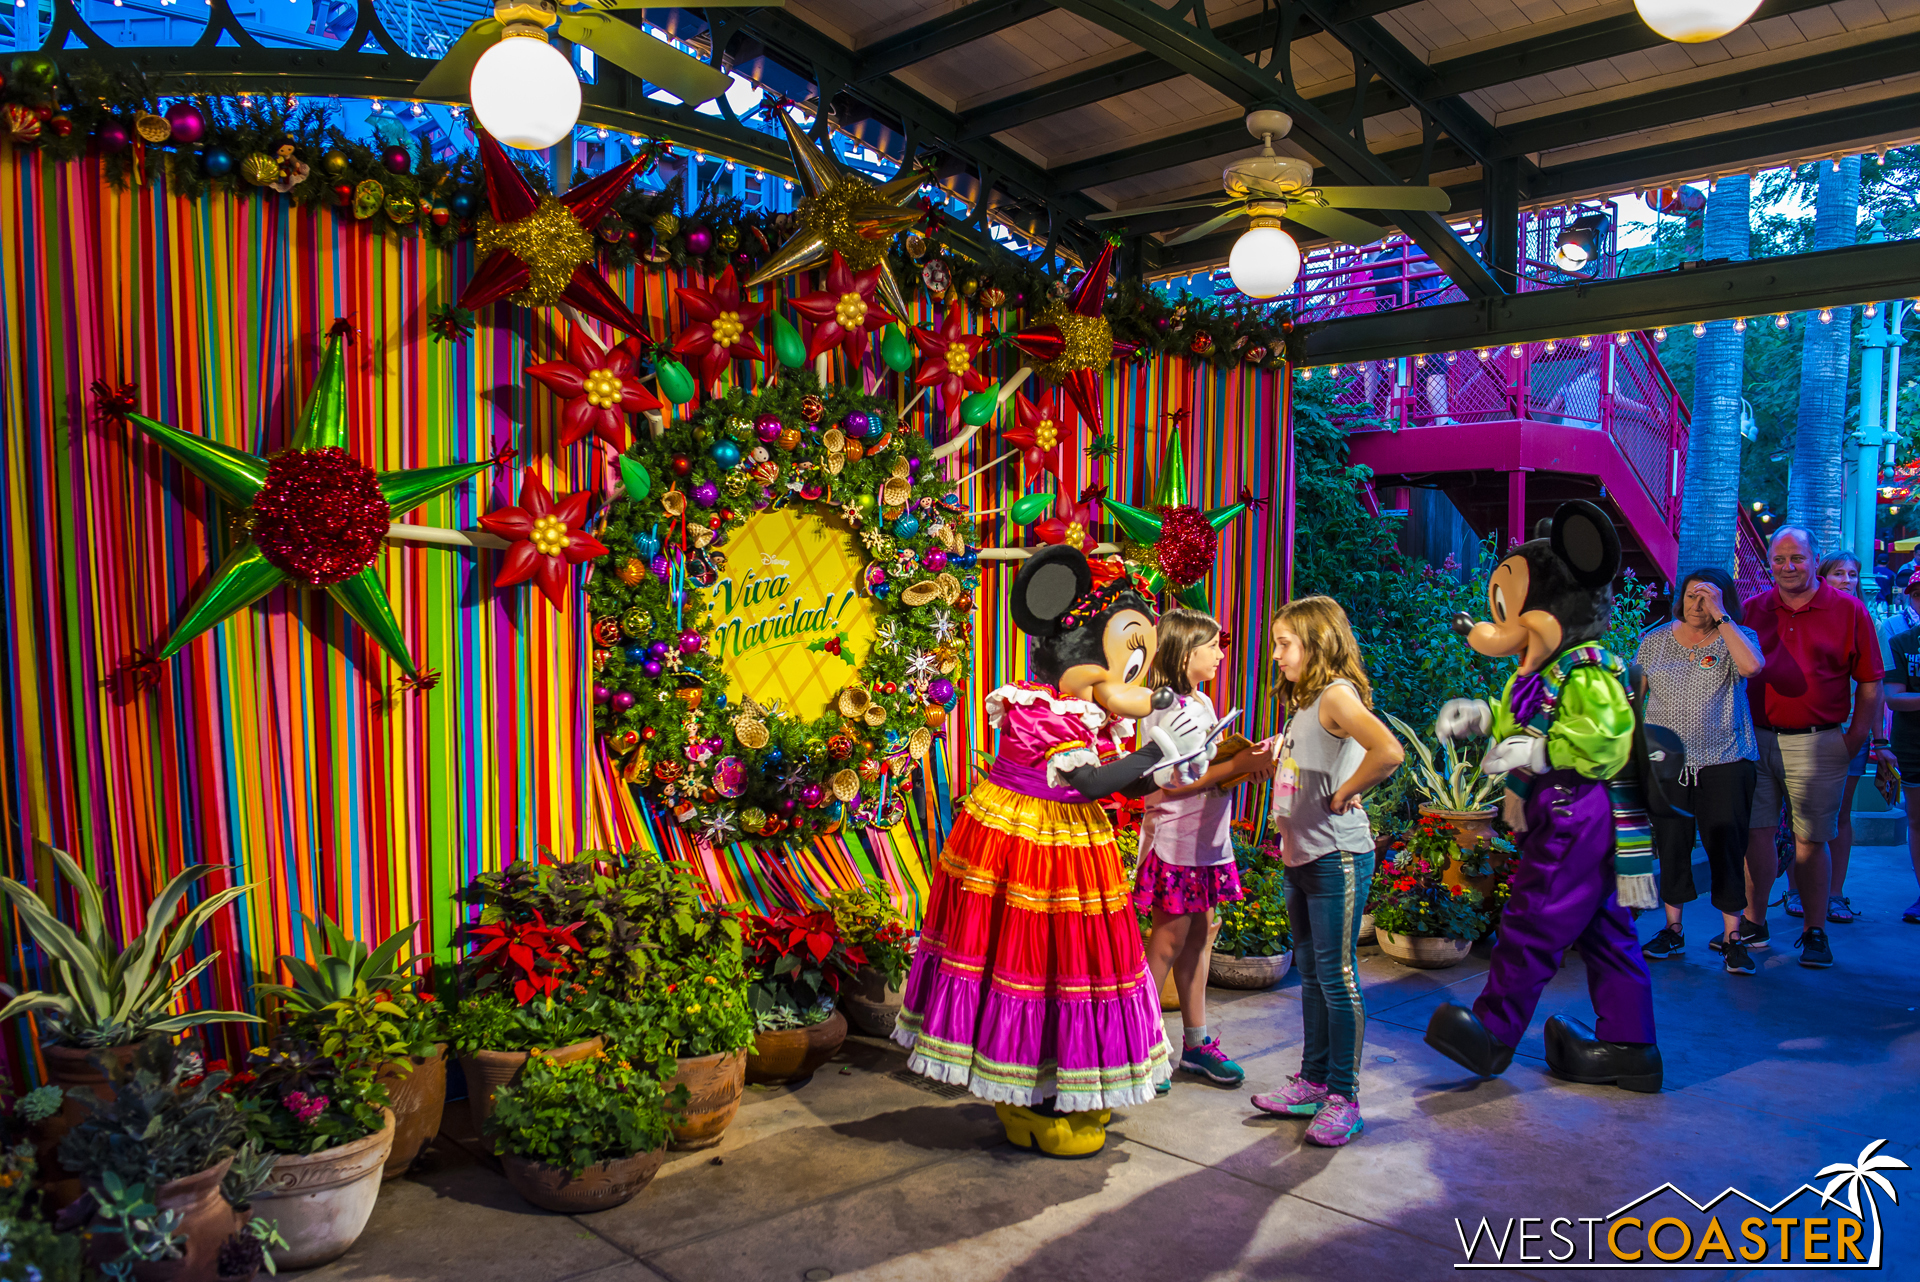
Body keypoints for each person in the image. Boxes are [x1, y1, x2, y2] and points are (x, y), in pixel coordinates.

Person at [894, 547, 1218, 1157]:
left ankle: (1048, 1085)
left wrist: (1171, 762)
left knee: (1069, 970)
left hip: (1067, 843)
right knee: (1029, 964)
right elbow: (1090, 782)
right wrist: (1153, 753)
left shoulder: (1089, 714)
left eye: (1142, 654)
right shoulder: (1039, 710)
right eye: (1128, 648)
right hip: (1026, 847)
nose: (1137, 672)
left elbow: (1116, 781)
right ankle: (1023, 1093)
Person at [1425, 501, 1662, 1093]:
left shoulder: (1588, 671)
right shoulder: (1540, 675)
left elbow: (1606, 738)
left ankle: (1493, 1033)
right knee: (1605, 928)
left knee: (1535, 918)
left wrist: (1540, 755)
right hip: (1570, 813)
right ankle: (1631, 1046)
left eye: (1509, 610)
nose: (1494, 623)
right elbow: (1516, 720)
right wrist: (1481, 717)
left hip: (1573, 813)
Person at [1248, 596, 1403, 1147]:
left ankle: (1344, 1096)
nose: (1276, 655)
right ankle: (1313, 1082)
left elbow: (1388, 751)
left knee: (1336, 977)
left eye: (1284, 644)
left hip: (1336, 855)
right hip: (1301, 855)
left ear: (1316, 642)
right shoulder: (1308, 702)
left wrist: (1346, 792)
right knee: (1312, 975)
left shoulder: (1337, 695)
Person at [1134, 607, 1276, 1089]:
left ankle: (1195, 1046)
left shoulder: (1201, 703)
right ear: (1185, 650)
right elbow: (1171, 783)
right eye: (1213, 645)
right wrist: (1239, 766)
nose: (1220, 653)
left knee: (1199, 940)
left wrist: (1241, 765)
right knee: (1168, 942)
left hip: (1206, 842)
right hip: (1176, 842)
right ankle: (1140, 1047)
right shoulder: (1165, 706)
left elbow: (1203, 772)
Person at [1742, 528, 1885, 970]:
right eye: (1779, 559)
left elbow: (1871, 682)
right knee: (1757, 834)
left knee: (1811, 840)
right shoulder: (1753, 609)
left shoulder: (1849, 610)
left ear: (1814, 559)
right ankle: (1754, 921)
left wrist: (1853, 740)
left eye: (1797, 559)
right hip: (1756, 739)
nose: (1788, 567)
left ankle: (1814, 931)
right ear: (1769, 562)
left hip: (1819, 741)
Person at [1634, 568, 1764, 974]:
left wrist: (1723, 618)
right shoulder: (1654, 642)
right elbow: (1633, 697)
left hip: (1726, 760)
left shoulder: (1736, 637)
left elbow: (1752, 668)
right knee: (1671, 844)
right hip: (1667, 764)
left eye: (1707, 597)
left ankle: (1732, 936)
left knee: (1726, 845)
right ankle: (1673, 930)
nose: (1697, 604)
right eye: (1692, 596)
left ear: (1723, 601)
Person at [1879, 574, 1920, 926]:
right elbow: (1893, 697)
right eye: (1918, 595)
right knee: (1917, 822)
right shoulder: (1903, 641)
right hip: (1913, 745)